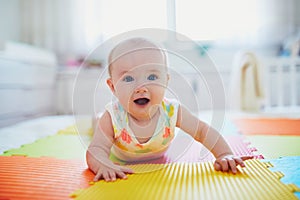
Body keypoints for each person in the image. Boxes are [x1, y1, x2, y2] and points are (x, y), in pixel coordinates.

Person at [87, 37, 252, 182]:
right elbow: (96, 150)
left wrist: (224, 154)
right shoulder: (112, 117)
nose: (141, 87)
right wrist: (103, 164)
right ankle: (95, 118)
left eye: (152, 77)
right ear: (113, 87)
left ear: (166, 81)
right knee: (98, 126)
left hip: (158, 159)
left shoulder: (172, 111)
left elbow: (202, 131)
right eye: (128, 78)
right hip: (120, 150)